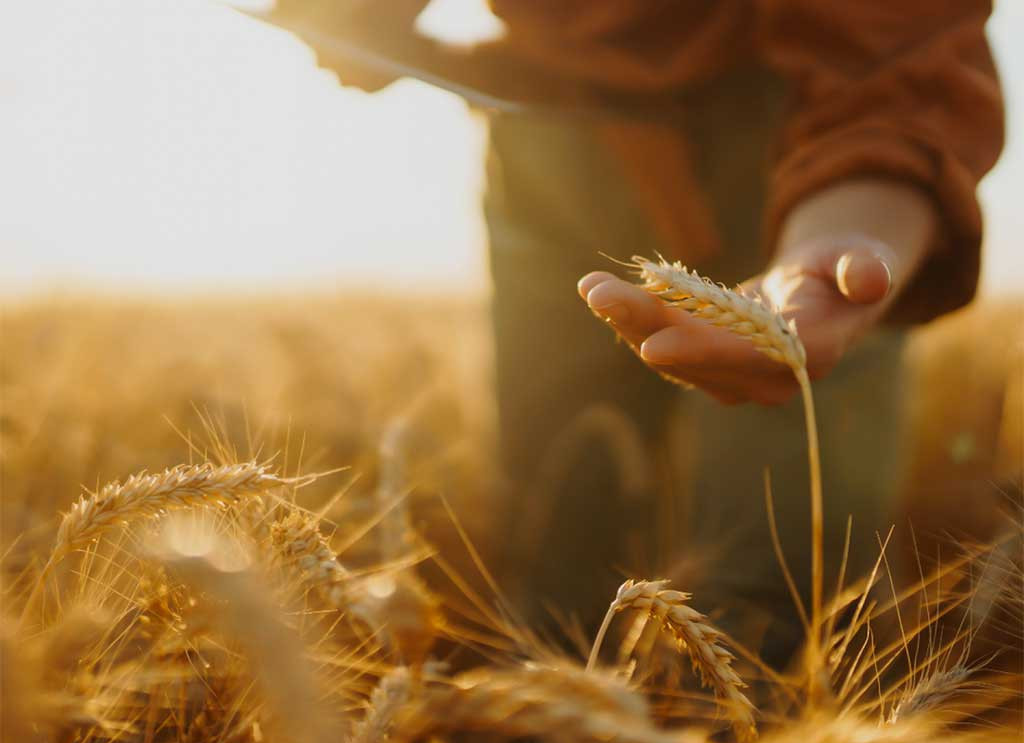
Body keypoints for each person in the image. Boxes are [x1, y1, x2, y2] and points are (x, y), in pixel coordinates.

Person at [263, 1, 1004, 665]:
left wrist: (851, 223)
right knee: (559, 538)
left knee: (773, 590)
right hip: (545, 125)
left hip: (801, 143)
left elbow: (897, 36)